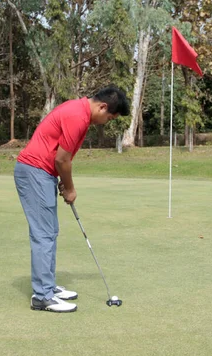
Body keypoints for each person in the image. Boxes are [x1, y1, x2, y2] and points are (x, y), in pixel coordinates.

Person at [14, 87, 130, 313]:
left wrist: (60, 179)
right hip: (35, 171)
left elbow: (58, 157)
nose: (107, 122)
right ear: (102, 107)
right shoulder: (78, 116)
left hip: (42, 172)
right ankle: (42, 296)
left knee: (50, 231)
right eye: (110, 117)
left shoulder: (79, 111)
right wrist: (70, 188)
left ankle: (48, 287)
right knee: (43, 234)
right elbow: (62, 159)